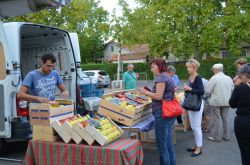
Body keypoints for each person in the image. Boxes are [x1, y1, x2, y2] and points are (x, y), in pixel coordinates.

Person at [139, 58, 176, 165]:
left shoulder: (161, 78)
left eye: (153, 66)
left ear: (159, 66)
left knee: (162, 147)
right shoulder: (168, 76)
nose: (151, 68)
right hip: (169, 113)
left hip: (162, 113)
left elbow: (159, 96)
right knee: (168, 145)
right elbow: (164, 94)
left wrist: (145, 92)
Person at [206, 64, 234, 142]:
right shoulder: (228, 78)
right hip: (227, 101)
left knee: (216, 119)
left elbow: (208, 90)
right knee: (225, 119)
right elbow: (232, 89)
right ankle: (226, 136)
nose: (213, 71)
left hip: (216, 101)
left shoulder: (214, 78)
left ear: (216, 69)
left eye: (213, 70)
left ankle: (216, 137)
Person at [229, 64, 250, 165]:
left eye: (241, 75)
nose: (240, 76)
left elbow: (232, 104)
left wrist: (236, 86)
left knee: (245, 153)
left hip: (243, 124)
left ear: (245, 75)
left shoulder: (240, 88)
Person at [184, 59, 204, 157]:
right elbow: (192, 91)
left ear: (194, 67)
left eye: (189, 67)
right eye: (187, 67)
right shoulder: (190, 76)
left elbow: (201, 91)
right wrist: (187, 89)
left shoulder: (198, 77)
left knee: (197, 127)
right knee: (193, 126)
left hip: (197, 104)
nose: (187, 69)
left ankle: (199, 148)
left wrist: (189, 89)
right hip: (192, 104)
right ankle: (197, 145)